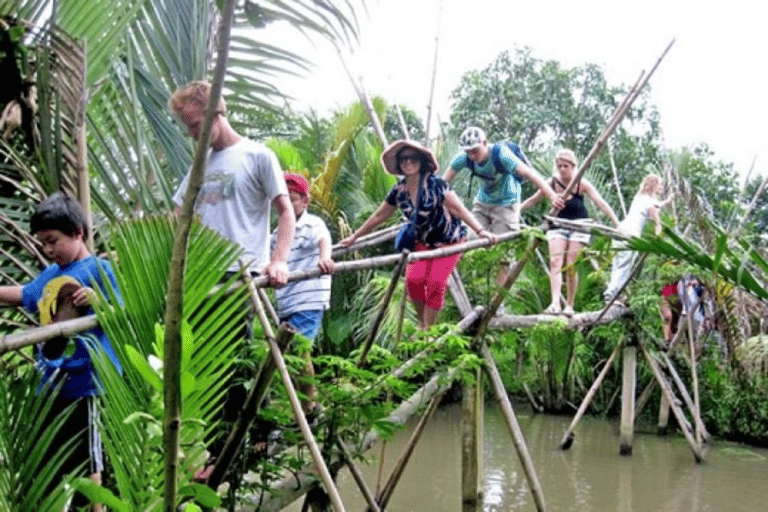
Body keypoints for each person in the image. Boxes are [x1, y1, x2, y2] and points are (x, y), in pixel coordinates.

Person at [0, 193, 122, 511]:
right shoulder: (50, 275)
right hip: (52, 384)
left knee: (90, 461)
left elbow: (125, 316)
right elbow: (23, 295)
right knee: (53, 458)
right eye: (43, 243)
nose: (48, 249)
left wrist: (99, 302)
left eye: (53, 240)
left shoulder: (100, 269)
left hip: (87, 386)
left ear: (78, 232)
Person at [340, 140, 497, 329]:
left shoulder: (436, 184)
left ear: (421, 161)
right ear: (399, 164)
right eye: (403, 159)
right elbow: (380, 216)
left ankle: (427, 330)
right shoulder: (399, 190)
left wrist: (481, 231)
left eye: (412, 158)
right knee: (413, 282)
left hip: (450, 241)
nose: (408, 162)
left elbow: (459, 210)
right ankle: (424, 324)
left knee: (436, 283)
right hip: (422, 242)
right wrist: (354, 237)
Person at [169, 80, 295, 287]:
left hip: (241, 270)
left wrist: (279, 260)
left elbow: (285, 212)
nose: (192, 135)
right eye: (188, 128)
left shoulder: (258, 156)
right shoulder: (200, 164)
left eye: (195, 125)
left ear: (216, 115)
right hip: (201, 270)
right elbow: (179, 213)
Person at [443, 126, 564, 286]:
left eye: (475, 150)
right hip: (482, 203)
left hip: (507, 204)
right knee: (467, 241)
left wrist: (551, 195)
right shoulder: (463, 158)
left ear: (485, 143)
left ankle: (497, 303)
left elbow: (529, 174)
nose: (472, 155)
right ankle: (464, 288)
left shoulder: (501, 154)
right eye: (468, 152)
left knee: (503, 255)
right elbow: (442, 184)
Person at [521, 148, 620, 316]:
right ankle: (554, 303)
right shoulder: (551, 183)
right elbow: (533, 200)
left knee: (570, 265)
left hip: (579, 227)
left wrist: (616, 223)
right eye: (559, 166)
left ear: (573, 166)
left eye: (565, 166)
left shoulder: (582, 184)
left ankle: (569, 305)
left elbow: (601, 203)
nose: (562, 169)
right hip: (557, 226)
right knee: (555, 262)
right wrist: (517, 210)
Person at [270, 172, 334, 416]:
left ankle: (310, 406)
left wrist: (325, 258)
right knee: (289, 355)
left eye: (293, 199)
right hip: (286, 302)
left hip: (308, 297)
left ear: (305, 201)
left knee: (299, 349)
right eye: (282, 199)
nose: (287, 204)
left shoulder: (312, 223)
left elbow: (323, 240)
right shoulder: (276, 235)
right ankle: (303, 406)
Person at [604, 173, 673, 305]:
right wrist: (659, 233)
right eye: (660, 185)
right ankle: (611, 295)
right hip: (630, 234)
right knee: (624, 265)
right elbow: (655, 218)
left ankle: (614, 294)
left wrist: (668, 201)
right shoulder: (649, 201)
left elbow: (657, 205)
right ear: (654, 185)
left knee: (618, 264)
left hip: (621, 229)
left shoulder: (640, 198)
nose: (661, 188)